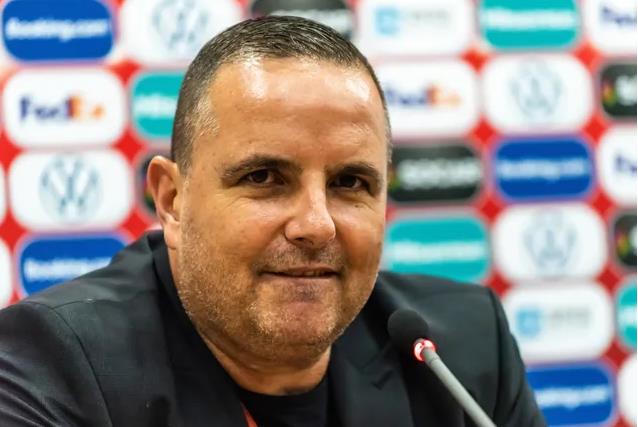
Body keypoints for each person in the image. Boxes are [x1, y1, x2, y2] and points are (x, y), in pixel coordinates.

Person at [0, 16, 545, 427]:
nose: (317, 225)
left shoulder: (462, 351)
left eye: (349, 183)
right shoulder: (52, 363)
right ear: (172, 201)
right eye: (264, 177)